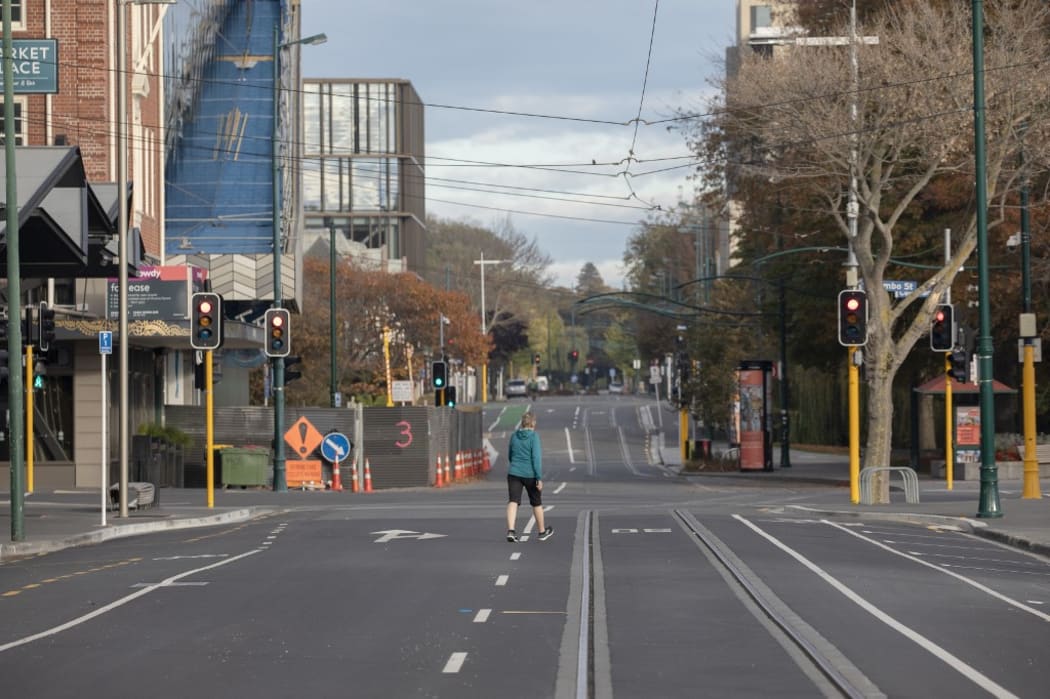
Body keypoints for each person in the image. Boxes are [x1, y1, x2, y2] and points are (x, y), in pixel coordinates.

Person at [506, 411, 553, 542]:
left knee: (513, 501)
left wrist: (515, 465)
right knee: (536, 503)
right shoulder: (534, 437)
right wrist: (538, 478)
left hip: (514, 473)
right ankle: (542, 532)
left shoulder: (514, 436)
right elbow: (536, 458)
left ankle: (511, 531)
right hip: (530, 474)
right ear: (533, 423)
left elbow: (510, 454)